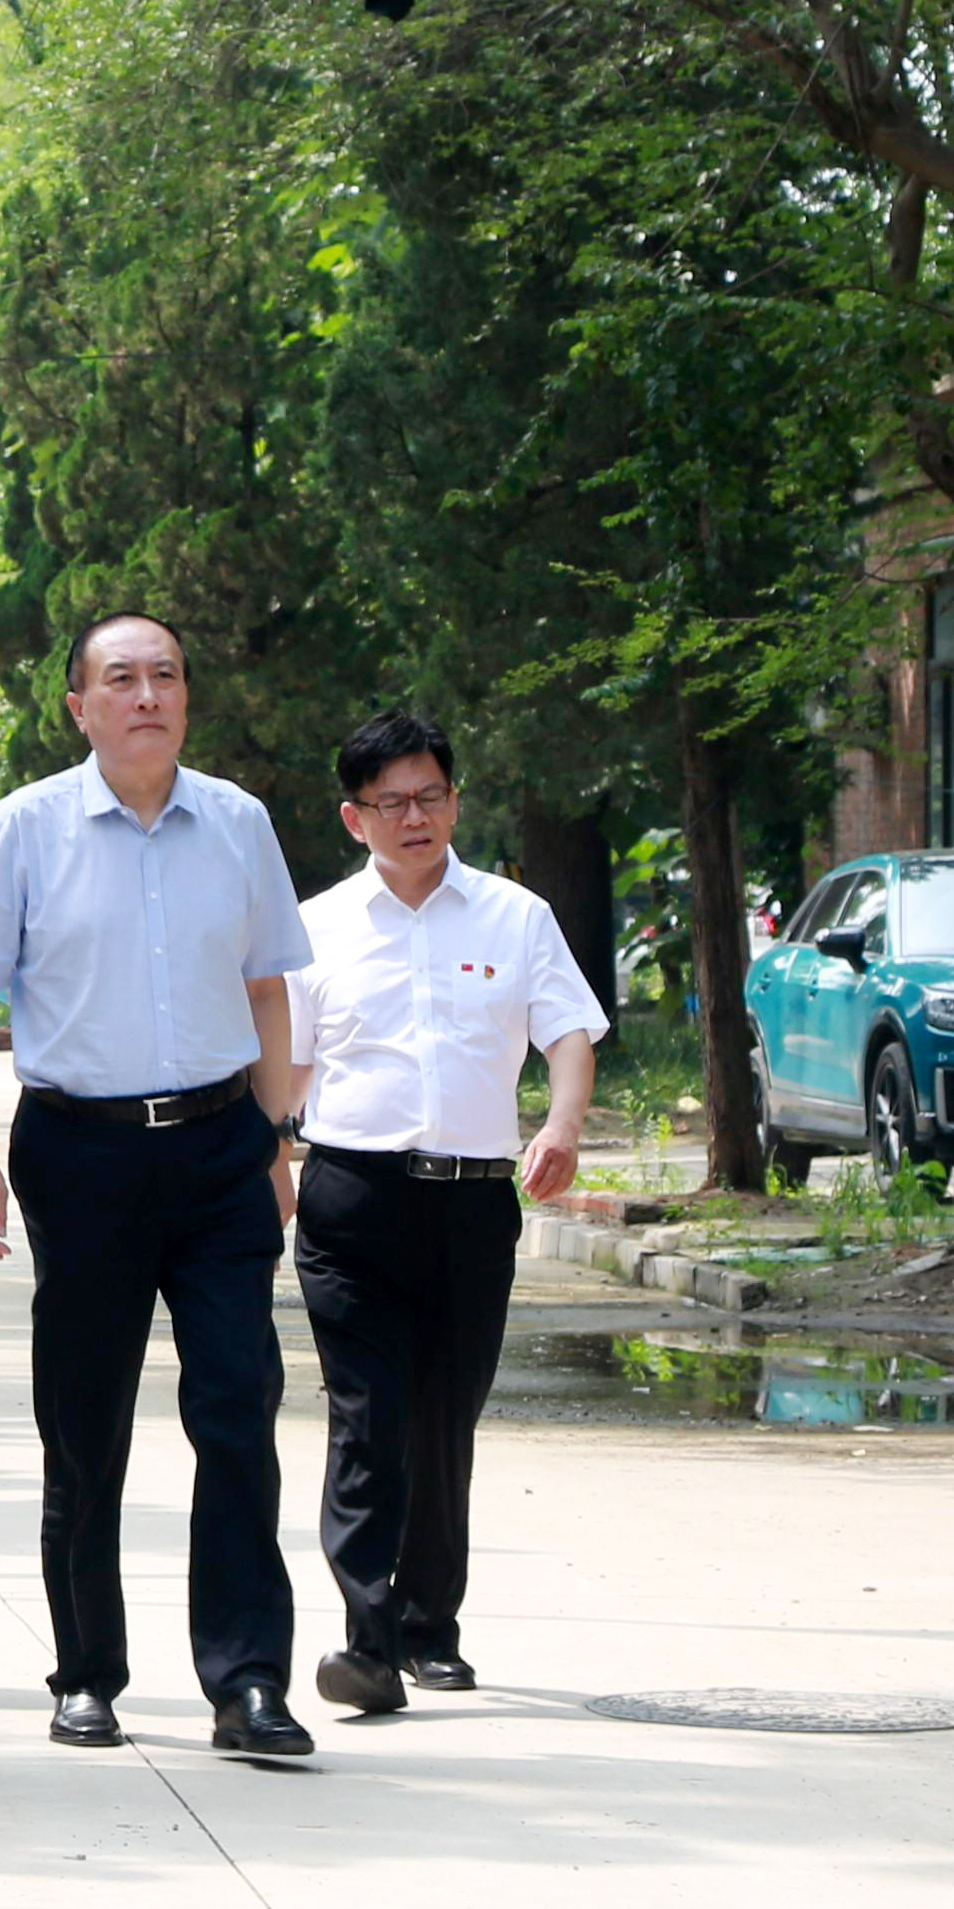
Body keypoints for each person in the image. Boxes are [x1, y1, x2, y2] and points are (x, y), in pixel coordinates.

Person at [0, 613, 320, 1760]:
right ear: (78, 705)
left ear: (185, 696)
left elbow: (266, 989)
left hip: (219, 1147)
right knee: (83, 1419)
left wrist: (276, 1136)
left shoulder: (236, 821)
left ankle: (246, 1680)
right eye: (120, 677)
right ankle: (85, 1672)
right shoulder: (25, 827)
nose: (145, 694)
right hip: (80, 1150)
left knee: (237, 1406)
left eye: (163, 675)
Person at [288, 713, 604, 1710]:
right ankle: (367, 1637)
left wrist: (561, 1125)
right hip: (351, 1198)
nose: (413, 816)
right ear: (354, 817)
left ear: (455, 802)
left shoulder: (515, 916)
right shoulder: (313, 928)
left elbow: (567, 1032)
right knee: (365, 1417)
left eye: (429, 795)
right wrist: (266, 1169)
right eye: (391, 802)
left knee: (441, 1418)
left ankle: (430, 1626)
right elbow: (281, 1071)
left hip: (471, 1202)